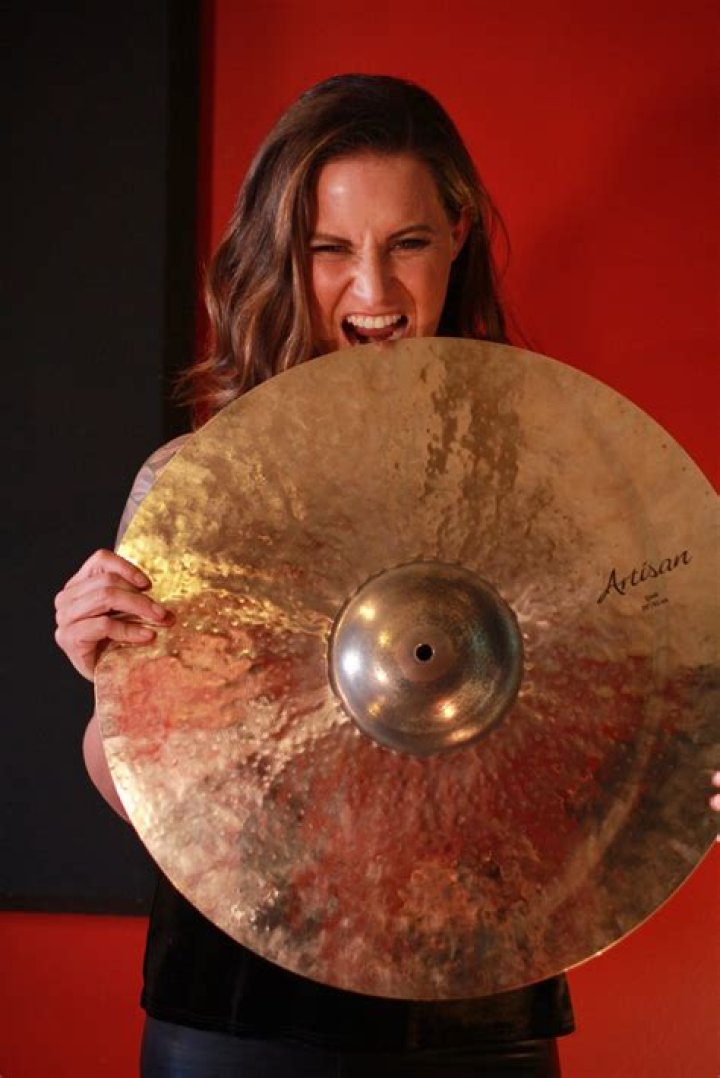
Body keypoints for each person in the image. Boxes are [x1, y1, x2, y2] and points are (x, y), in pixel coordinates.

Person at [55, 73, 582, 1077]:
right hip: (239, 1019)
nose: (373, 293)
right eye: (329, 249)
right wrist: (113, 689)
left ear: (458, 233)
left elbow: (598, 756)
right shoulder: (193, 486)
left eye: (407, 243)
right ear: (282, 256)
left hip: (476, 1014)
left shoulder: (550, 482)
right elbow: (141, 792)